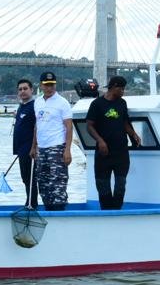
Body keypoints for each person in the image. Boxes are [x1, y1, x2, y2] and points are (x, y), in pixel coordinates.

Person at [86, 76, 142, 210]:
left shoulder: (122, 103)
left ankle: (117, 211)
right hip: (103, 153)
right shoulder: (97, 104)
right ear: (113, 87)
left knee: (120, 185)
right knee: (103, 185)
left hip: (121, 152)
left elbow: (124, 123)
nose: (123, 91)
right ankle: (106, 212)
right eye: (121, 88)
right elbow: (89, 125)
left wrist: (133, 134)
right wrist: (100, 141)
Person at [31, 71, 73, 210]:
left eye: (52, 85)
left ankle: (60, 211)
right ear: (41, 85)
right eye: (47, 85)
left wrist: (67, 150)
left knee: (58, 182)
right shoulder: (37, 102)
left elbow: (69, 127)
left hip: (57, 146)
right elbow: (37, 125)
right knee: (43, 182)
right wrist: (33, 146)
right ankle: (48, 209)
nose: (50, 88)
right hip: (42, 148)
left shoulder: (63, 103)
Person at [12, 78, 39, 208]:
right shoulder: (21, 106)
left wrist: (34, 147)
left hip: (30, 148)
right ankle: (29, 200)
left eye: (25, 89)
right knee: (25, 177)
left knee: (30, 177)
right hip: (21, 148)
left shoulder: (34, 106)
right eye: (20, 89)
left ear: (31, 90)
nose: (22, 91)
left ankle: (32, 203)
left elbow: (37, 127)